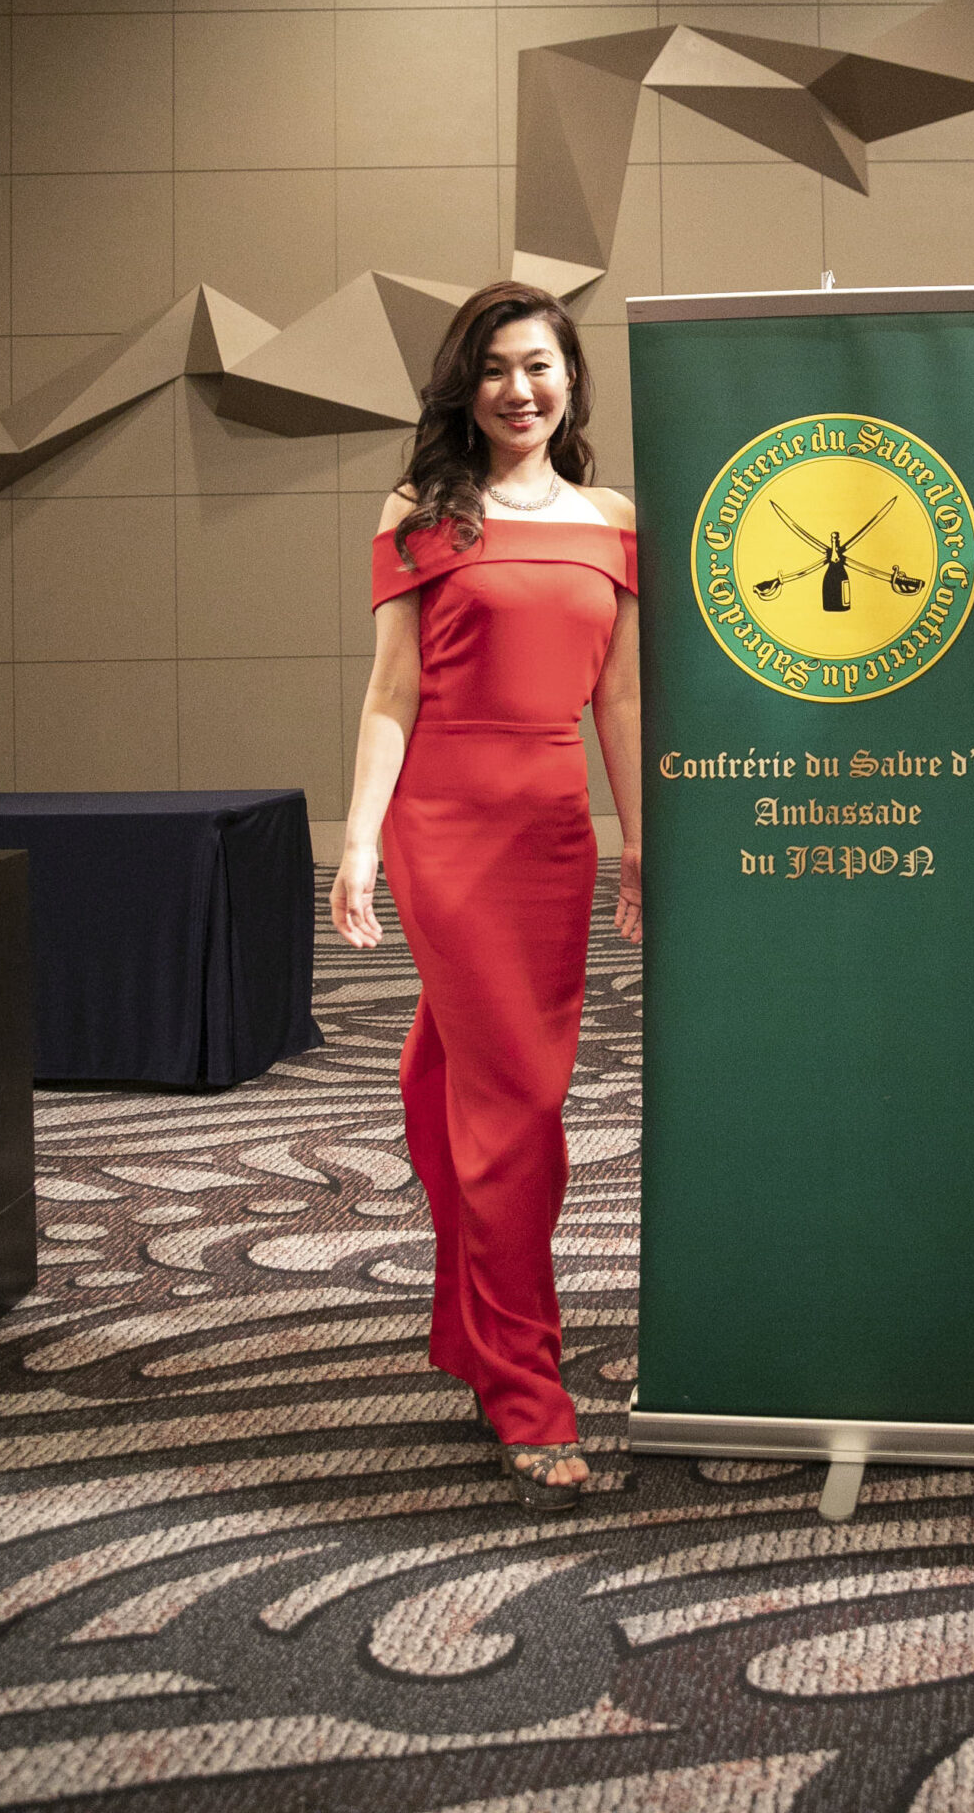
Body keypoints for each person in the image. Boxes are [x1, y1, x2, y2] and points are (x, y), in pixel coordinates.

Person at [331, 281, 642, 1513]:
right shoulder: (421, 512)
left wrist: (639, 841)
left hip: (552, 828)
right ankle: (526, 1386)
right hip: (444, 827)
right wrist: (359, 840)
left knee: (452, 1077)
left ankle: (472, 1325)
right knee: (517, 1102)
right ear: (467, 387)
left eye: (541, 365)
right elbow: (390, 692)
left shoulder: (612, 519)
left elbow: (620, 698)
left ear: (571, 381)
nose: (521, 389)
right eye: (498, 368)